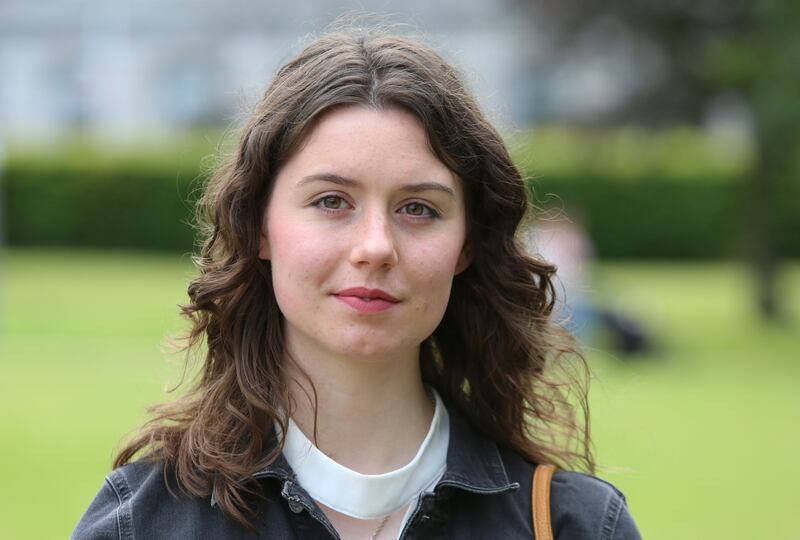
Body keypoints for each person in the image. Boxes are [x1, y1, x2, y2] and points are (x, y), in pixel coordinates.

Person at [72, 27, 640, 539]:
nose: (375, 247)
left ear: (467, 244)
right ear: (260, 227)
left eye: (418, 208)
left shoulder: (575, 525)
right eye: (331, 201)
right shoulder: (142, 523)